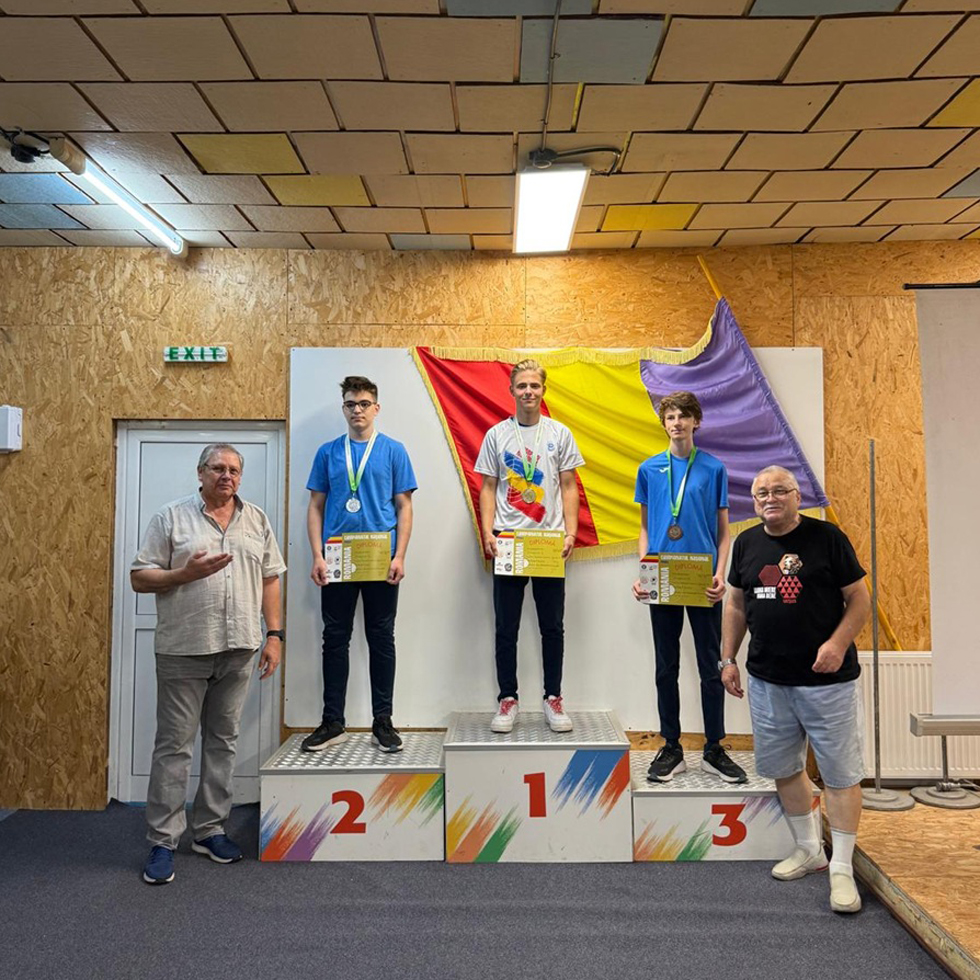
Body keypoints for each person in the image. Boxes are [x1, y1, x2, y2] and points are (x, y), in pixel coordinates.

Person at [131, 443, 285, 886]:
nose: (226, 476)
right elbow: (139, 577)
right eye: (218, 468)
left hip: (239, 648)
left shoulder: (256, 520)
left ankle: (210, 830)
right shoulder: (171, 518)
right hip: (184, 649)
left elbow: (270, 579)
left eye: (234, 470)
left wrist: (274, 635)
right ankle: (163, 840)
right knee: (174, 746)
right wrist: (183, 574)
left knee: (223, 741)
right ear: (200, 473)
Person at [722, 465, 871, 914]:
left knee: (840, 775)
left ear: (797, 496)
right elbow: (735, 603)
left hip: (827, 683)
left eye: (779, 490)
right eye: (761, 493)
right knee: (784, 769)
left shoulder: (828, 539)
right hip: (768, 681)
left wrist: (837, 643)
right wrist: (728, 659)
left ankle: (841, 867)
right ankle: (809, 850)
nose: (770, 498)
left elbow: (860, 598)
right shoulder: (746, 543)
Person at [633, 391, 746, 784]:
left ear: (696, 421)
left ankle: (714, 748)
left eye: (684, 416)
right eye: (670, 417)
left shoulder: (714, 468)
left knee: (710, 664)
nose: (677, 423)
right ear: (664, 423)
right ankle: (671, 746)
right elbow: (645, 528)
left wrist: (721, 574)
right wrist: (644, 571)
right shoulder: (649, 469)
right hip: (663, 577)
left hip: (702, 579)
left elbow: (724, 533)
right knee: (666, 666)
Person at [302, 376, 416, 755]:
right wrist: (316, 555)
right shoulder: (328, 453)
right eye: (351, 404)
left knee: (381, 638)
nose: (357, 410)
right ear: (344, 408)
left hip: (381, 558)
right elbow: (315, 506)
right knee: (335, 638)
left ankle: (382, 721)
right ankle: (333, 721)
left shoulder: (394, 450)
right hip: (337, 558)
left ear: (376, 408)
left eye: (364, 403)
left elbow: (404, 506)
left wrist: (400, 555)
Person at [475, 358, 584, 734]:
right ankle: (508, 699)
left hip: (548, 542)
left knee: (552, 626)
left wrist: (571, 533)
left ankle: (553, 697)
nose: (528, 391)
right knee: (506, 627)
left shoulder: (559, 433)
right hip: (508, 542)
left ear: (543, 390)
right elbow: (488, 487)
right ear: (511, 390)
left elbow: (569, 485)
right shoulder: (496, 435)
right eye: (522, 385)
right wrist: (487, 532)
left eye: (534, 385)